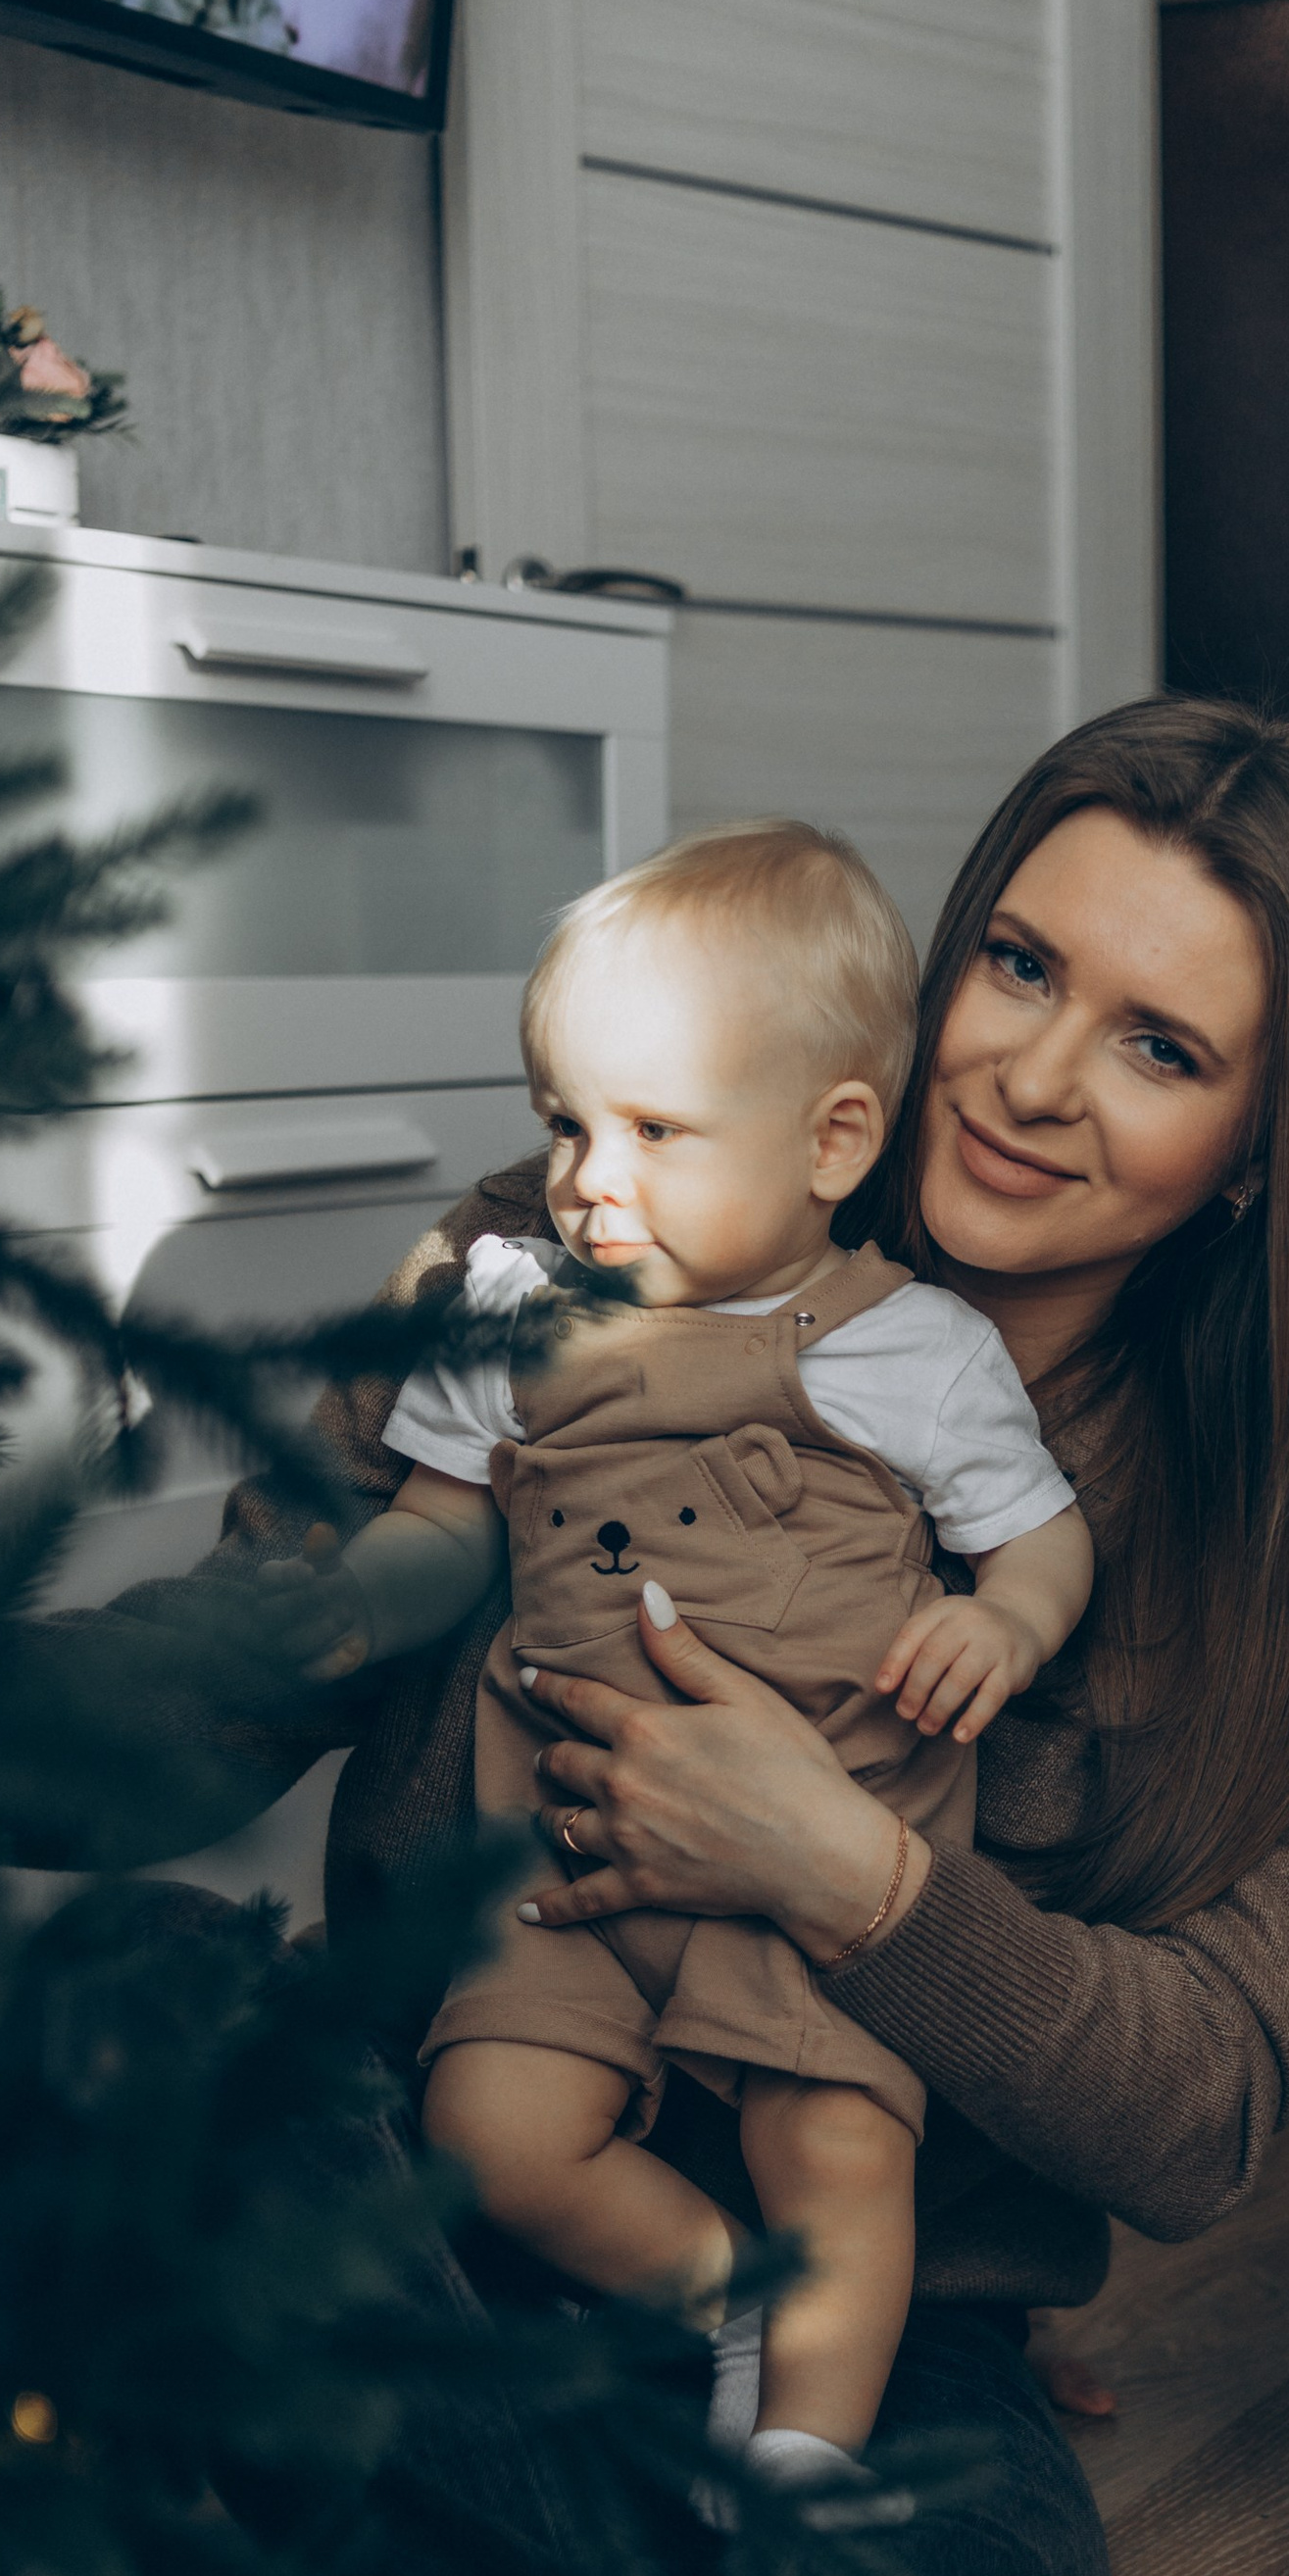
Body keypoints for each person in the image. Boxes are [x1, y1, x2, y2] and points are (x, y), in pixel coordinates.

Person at [176, 698, 1289, 2576]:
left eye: (1163, 1047)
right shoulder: (598, 1214)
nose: (1037, 1077)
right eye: (1018, 962)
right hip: (436, 2157)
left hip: (850, 2313)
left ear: (1259, 1157)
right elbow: (289, 1641)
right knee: (174, 2063)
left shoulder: (1211, 1543)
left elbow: (1209, 2117)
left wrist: (862, 1881)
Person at [279, 821, 1091, 2477]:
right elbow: (441, 1526)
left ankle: (803, 2463)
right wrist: (341, 1601)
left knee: (845, 2150)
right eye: (566, 1121)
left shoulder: (913, 1351)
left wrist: (998, 1619)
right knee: (488, 2134)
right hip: (561, 1848)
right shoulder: (517, 1304)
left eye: (653, 1127)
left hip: (821, 1847)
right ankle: (730, 2303)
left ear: (832, 1140)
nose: (590, 1174)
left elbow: (1041, 1537)